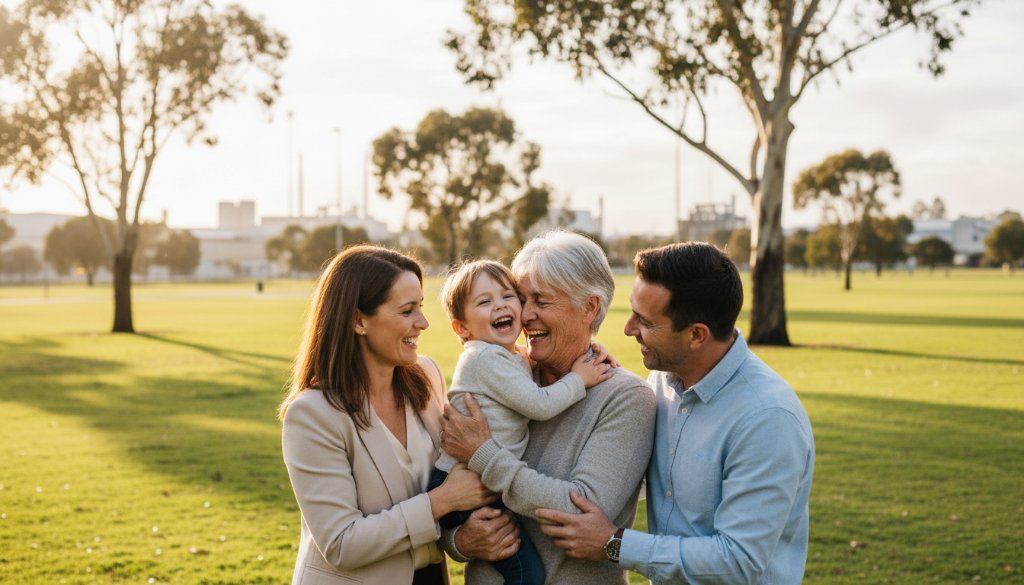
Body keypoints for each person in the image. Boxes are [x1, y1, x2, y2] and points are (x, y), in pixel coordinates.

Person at [533, 242, 816, 585]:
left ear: (697, 335)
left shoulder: (767, 418)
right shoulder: (661, 384)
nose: (628, 329)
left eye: (645, 321)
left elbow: (739, 560)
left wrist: (614, 544)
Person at [439, 231, 657, 584]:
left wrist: (484, 454)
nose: (524, 315)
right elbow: (453, 505)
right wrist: (461, 542)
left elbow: (578, 509)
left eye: (540, 301)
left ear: (589, 307)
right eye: (521, 298)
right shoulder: (509, 374)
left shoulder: (626, 397)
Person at [279, 246, 498, 585]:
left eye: (421, 307)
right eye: (408, 310)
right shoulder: (312, 414)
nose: (423, 323)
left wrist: (461, 539)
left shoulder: (427, 377)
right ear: (358, 320)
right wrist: (443, 500)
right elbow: (341, 543)